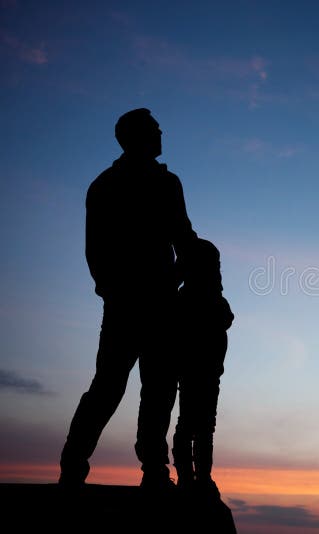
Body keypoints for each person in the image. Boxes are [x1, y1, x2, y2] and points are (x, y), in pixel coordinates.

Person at [59, 108, 197, 489]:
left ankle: (152, 468)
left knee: (157, 387)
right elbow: (97, 250)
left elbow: (183, 237)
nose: (161, 132)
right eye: (154, 129)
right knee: (112, 386)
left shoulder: (158, 182)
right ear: (135, 136)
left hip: (156, 301)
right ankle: (76, 462)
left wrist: (186, 274)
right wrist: (115, 289)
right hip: (130, 302)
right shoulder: (110, 185)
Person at [171, 238, 233, 494]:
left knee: (203, 425)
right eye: (214, 266)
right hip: (193, 372)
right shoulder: (187, 299)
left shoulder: (213, 300)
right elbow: (225, 319)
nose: (217, 271)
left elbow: (227, 319)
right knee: (190, 425)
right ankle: (189, 476)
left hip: (209, 373)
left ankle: (201, 477)